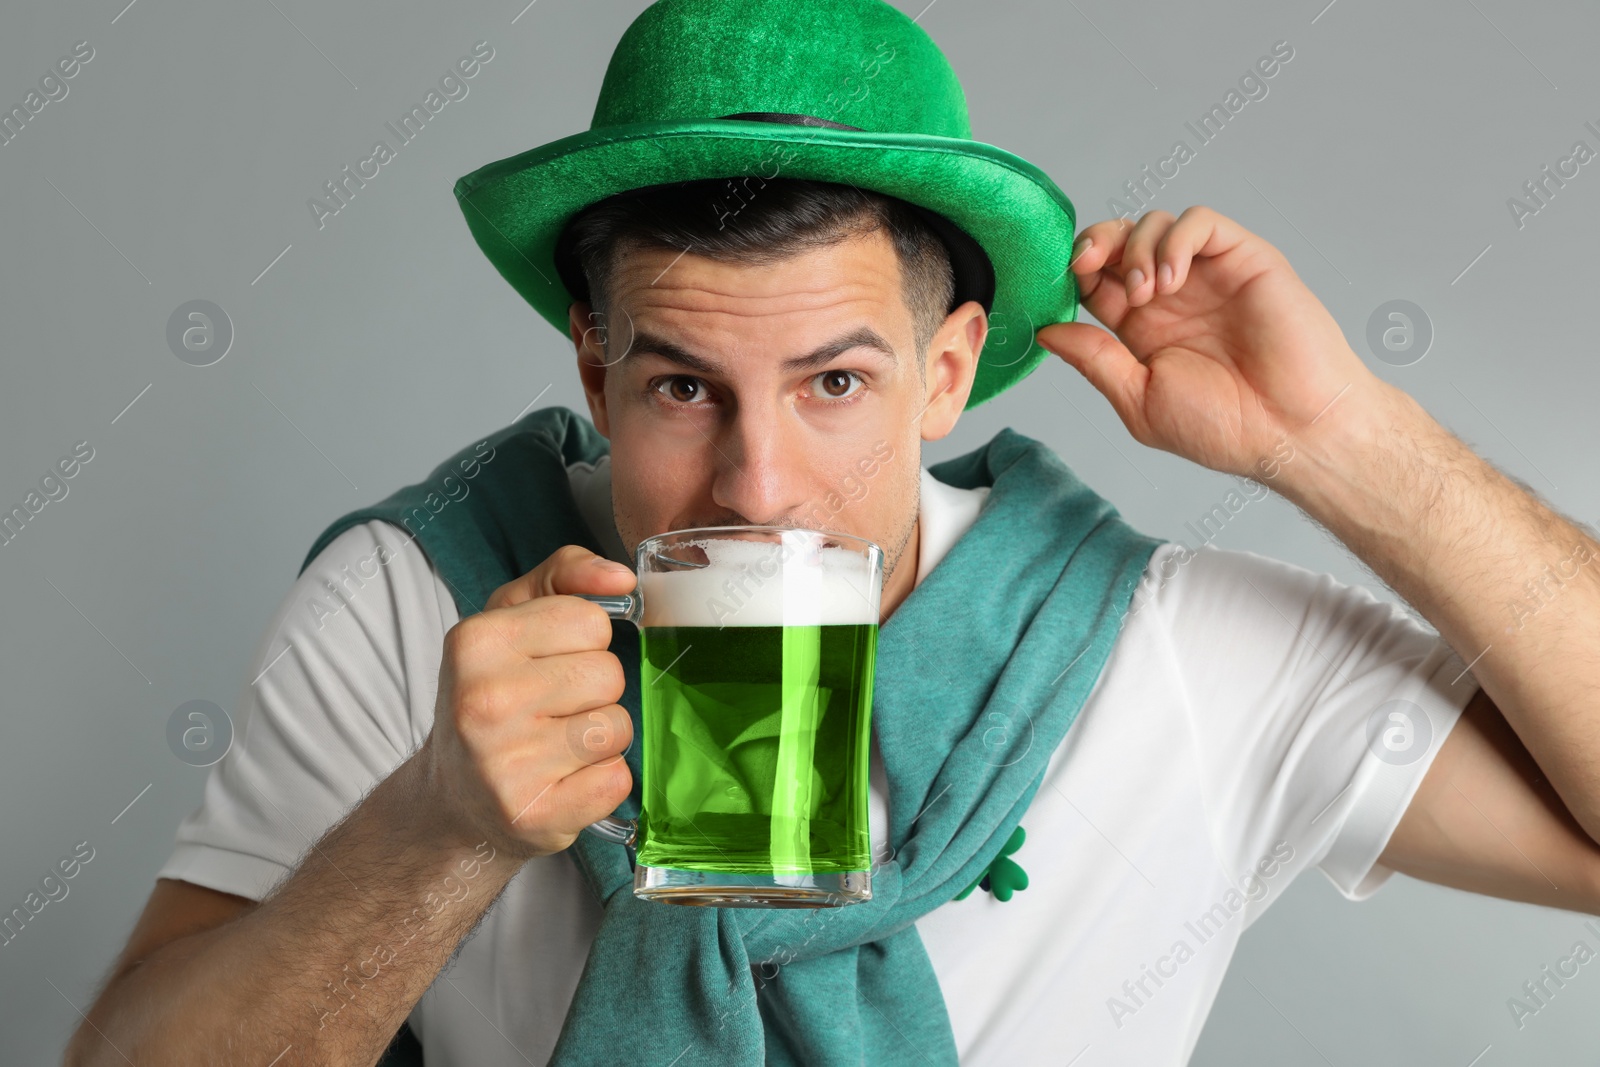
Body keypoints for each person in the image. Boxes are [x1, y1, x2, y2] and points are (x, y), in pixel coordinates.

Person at [66, 1, 1600, 1064]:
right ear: (594, 368)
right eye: (680, 386)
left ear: (947, 371)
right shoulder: (422, 608)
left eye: (837, 382)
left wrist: (1341, 444)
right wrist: (435, 831)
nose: (760, 486)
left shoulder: (1167, 652)